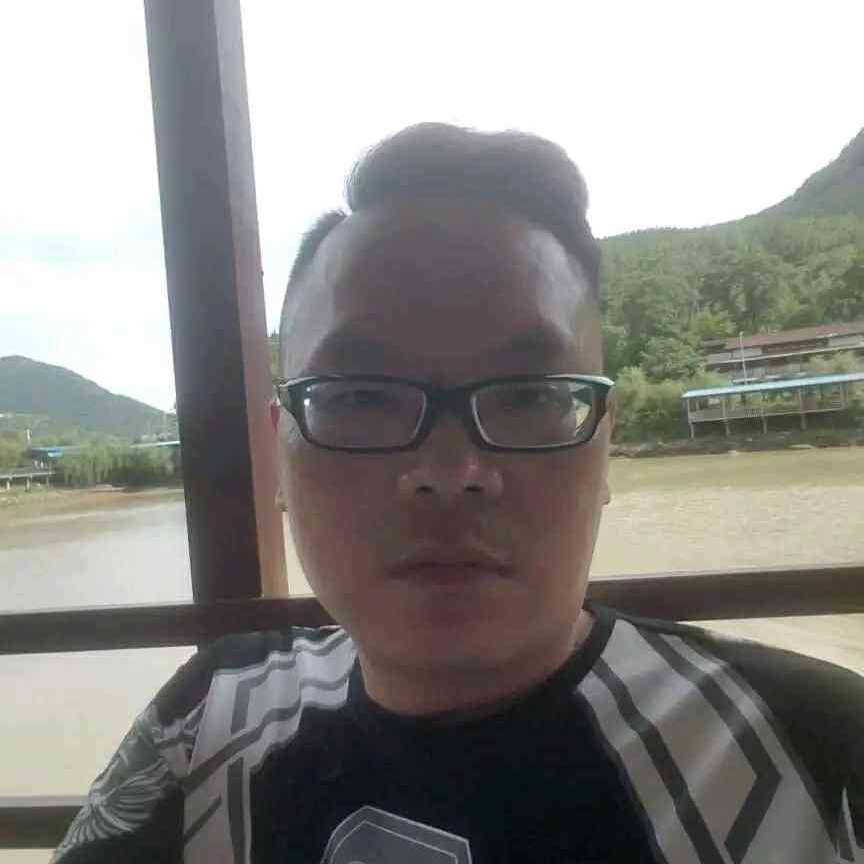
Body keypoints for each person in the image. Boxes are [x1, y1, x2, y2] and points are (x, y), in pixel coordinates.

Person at [53, 124, 863, 864]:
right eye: (360, 397)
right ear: (280, 453)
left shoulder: (817, 753)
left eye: (528, 395)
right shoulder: (206, 720)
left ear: (604, 444)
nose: (448, 470)